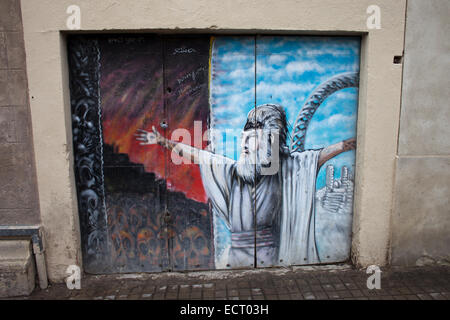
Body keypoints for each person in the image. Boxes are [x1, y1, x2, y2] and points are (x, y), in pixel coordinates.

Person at [136, 104, 356, 268]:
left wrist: (345, 145)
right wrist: (163, 142)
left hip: (267, 256)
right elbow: (200, 156)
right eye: (245, 138)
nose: (245, 144)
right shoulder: (233, 172)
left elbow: (314, 158)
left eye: (253, 138)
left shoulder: (279, 171)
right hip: (235, 256)